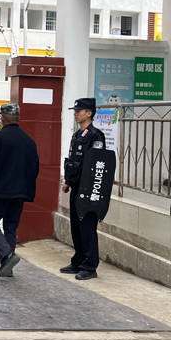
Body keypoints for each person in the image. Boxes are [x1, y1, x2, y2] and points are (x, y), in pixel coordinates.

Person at [0, 103, 39, 278]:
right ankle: (7, 266)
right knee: (11, 227)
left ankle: (7, 256)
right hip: (20, 193)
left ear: (2, 118)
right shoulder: (29, 141)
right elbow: (35, 169)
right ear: (17, 118)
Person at [61, 98, 106, 280]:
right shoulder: (77, 135)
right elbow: (73, 161)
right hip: (76, 187)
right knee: (76, 227)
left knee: (87, 227)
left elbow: (97, 164)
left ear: (89, 113)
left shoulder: (96, 136)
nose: (76, 114)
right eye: (75, 111)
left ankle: (90, 266)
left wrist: (91, 187)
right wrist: (68, 181)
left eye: (79, 111)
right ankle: (78, 260)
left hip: (88, 189)